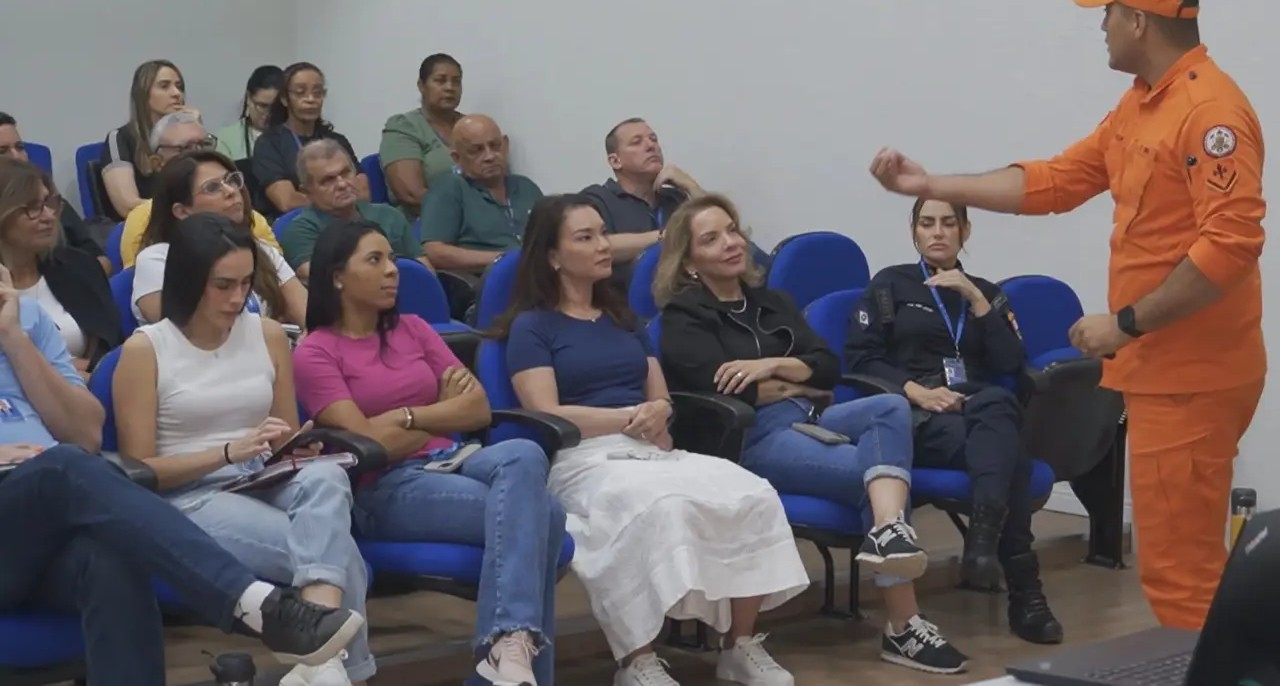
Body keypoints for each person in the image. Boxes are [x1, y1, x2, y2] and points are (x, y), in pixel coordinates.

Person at [867, 0, 1267, 632]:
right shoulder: (1142, 105)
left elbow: (1230, 244)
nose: (1101, 24)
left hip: (1189, 376)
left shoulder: (1208, 112)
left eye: (1108, 11)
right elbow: (1053, 181)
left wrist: (1128, 323)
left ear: (1139, 21)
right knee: (1180, 564)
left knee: (1181, 573)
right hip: (1166, 372)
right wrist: (932, 187)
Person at [0, 264, 364, 686]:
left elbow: (86, 435)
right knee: (63, 467)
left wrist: (12, 336)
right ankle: (254, 606)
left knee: (113, 560)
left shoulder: (25, 321)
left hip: (35, 525)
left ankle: (257, 609)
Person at [655, 194, 973, 674]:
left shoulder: (773, 302)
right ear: (690, 259)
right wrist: (794, 382)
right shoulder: (685, 316)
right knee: (879, 474)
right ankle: (903, 625)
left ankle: (888, 530)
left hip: (811, 416)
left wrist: (774, 367)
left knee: (889, 406)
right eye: (711, 238)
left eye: (733, 230)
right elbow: (720, 389)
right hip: (750, 439)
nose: (730, 243)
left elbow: (827, 367)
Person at [503, 194, 808, 686]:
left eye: (603, 232)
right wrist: (630, 416)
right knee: (656, 506)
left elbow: (662, 398)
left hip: (648, 448)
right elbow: (546, 412)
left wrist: (657, 411)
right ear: (553, 257)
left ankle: (739, 646)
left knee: (751, 492)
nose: (604, 245)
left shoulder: (625, 320)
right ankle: (637, 659)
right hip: (582, 458)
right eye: (586, 237)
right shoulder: (532, 327)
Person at [294, 219, 566, 686]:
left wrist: (410, 419)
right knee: (547, 513)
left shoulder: (415, 329)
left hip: (455, 460)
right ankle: (507, 657)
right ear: (337, 276)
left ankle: (506, 651)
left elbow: (478, 407)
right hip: (384, 488)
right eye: (374, 260)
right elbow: (367, 444)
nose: (391, 271)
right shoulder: (317, 352)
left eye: (392, 260)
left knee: (522, 451)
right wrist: (439, 408)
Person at [113, 212, 375, 686]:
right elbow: (141, 473)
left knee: (326, 476)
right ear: (191, 281)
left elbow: (283, 436)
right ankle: (335, 670)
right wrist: (227, 452)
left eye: (246, 284)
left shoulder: (268, 334)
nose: (238, 298)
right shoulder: (145, 350)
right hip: (189, 496)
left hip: (264, 475)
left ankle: (319, 664)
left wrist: (297, 446)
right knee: (340, 556)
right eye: (223, 285)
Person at [845, 199, 1062, 644]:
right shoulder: (890, 284)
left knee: (998, 405)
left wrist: (977, 300)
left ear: (965, 230)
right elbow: (860, 360)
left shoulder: (985, 292)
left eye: (949, 223)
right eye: (928, 224)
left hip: (976, 413)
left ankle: (984, 543)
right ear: (914, 231)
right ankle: (1025, 592)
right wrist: (915, 390)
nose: (938, 232)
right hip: (917, 415)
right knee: (1011, 454)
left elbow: (1010, 361)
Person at [132, 151, 306, 328]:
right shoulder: (157, 260)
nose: (231, 191)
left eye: (231, 180)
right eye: (212, 188)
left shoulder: (261, 250)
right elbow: (187, 331)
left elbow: (309, 317)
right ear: (182, 211)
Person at [0, 160, 120, 380]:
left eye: (50, 203)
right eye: (33, 207)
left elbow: (111, 341)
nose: (49, 216)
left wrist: (93, 369)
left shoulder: (79, 266)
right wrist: (59, 374)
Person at [118, 113, 283, 267]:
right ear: (157, 162)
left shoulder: (249, 216)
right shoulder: (141, 222)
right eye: (185, 148)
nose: (200, 153)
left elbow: (278, 277)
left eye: (205, 144)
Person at [580, 118, 702, 289]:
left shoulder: (674, 197)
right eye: (636, 142)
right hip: (626, 306)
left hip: (686, 299)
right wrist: (668, 236)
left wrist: (691, 186)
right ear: (615, 161)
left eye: (653, 139)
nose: (651, 146)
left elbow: (720, 229)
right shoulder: (597, 198)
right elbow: (595, 247)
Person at [279, 140, 426, 276]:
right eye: (328, 180)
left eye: (345, 173)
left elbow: (424, 270)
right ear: (307, 192)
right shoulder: (300, 231)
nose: (342, 184)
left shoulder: (389, 216)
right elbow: (321, 283)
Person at [421, 114, 543, 272]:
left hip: (537, 277)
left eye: (495, 146)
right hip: (486, 280)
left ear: (505, 145)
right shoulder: (449, 188)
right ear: (457, 158)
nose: (490, 156)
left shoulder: (526, 187)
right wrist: (506, 260)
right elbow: (435, 251)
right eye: (476, 150)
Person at [250, 62, 368, 218]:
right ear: (285, 99)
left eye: (317, 93)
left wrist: (325, 199)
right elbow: (287, 201)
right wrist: (338, 200)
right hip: (297, 224)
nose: (311, 99)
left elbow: (364, 192)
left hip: (344, 221)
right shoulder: (269, 143)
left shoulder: (336, 141)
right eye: (300, 92)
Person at [0, 112, 110, 273]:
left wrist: (66, 287)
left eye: (20, 147)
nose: (16, 157)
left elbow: (101, 261)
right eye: (2, 151)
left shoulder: (51, 202)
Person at [100, 58, 194, 218]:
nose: (176, 93)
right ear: (143, 94)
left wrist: (194, 127)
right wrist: (187, 210)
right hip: (147, 227)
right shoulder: (120, 139)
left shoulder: (190, 138)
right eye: (164, 86)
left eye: (179, 87)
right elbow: (128, 205)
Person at [380, 53, 466, 214]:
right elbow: (411, 194)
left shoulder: (470, 125)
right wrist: (466, 213)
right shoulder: (404, 126)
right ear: (422, 86)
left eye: (456, 81)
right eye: (440, 80)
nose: (450, 87)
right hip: (426, 220)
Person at [214, 65, 284, 162]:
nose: (269, 113)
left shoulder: (291, 135)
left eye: (275, 107)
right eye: (262, 106)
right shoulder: (226, 138)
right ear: (248, 98)